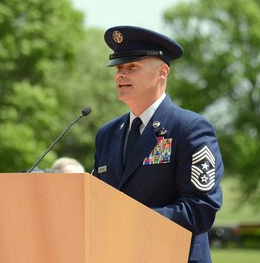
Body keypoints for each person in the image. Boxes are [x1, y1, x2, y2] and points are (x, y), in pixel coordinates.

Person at [91, 26, 223, 263]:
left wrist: (130, 221)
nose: (120, 75)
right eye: (119, 67)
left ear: (162, 72)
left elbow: (200, 208)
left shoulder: (189, 128)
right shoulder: (107, 134)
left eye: (132, 67)